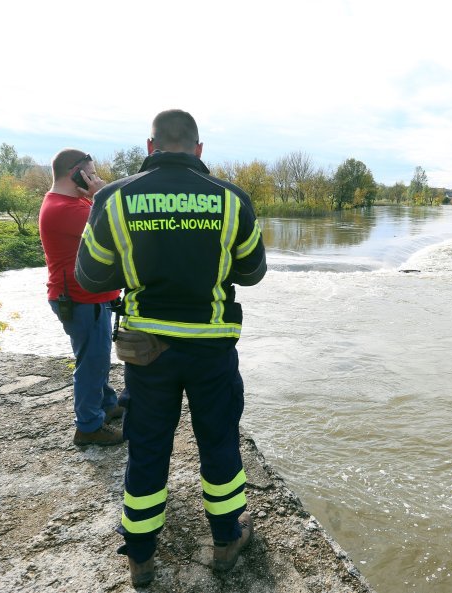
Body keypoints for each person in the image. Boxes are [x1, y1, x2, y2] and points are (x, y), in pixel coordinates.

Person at [75, 109, 267, 587]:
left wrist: (136, 268)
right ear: (199, 149)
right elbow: (252, 271)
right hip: (212, 348)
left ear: (150, 146)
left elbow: (90, 275)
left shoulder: (113, 198)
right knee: (219, 442)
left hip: (148, 352)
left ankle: (140, 555)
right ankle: (226, 538)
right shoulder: (232, 200)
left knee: (147, 447)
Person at [39, 149, 125, 447]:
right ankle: (88, 425)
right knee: (92, 362)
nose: (96, 177)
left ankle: (106, 404)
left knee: (96, 357)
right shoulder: (67, 208)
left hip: (87, 297)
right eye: (92, 172)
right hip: (81, 299)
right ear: (76, 173)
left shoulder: (70, 203)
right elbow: (117, 227)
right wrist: (103, 194)